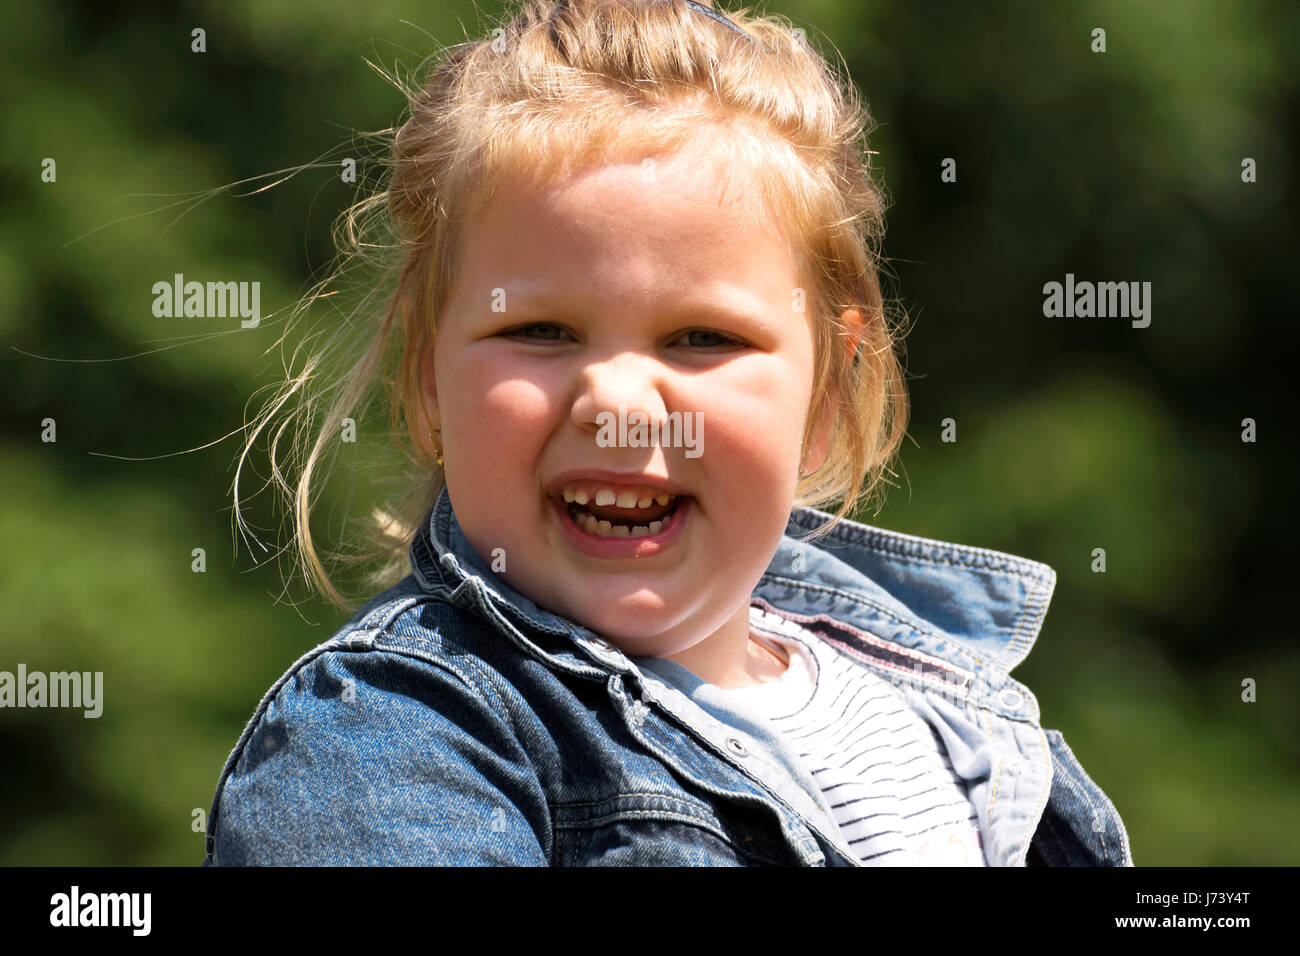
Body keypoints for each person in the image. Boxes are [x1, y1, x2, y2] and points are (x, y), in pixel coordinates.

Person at [203, 0, 1131, 866]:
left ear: (826, 399)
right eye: (542, 332)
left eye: (702, 338)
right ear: (426, 378)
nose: (621, 405)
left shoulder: (942, 723)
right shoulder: (393, 735)